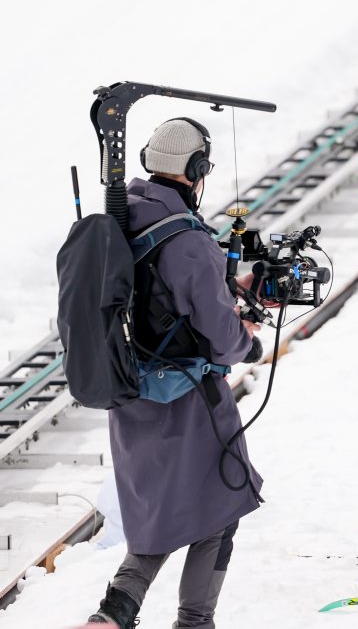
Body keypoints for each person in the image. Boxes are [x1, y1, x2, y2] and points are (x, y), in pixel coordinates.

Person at [86, 118, 265, 628]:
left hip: (130, 392)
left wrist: (227, 287)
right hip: (188, 401)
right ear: (197, 168)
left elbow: (159, 297)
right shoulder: (188, 240)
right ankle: (195, 622)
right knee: (220, 506)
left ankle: (113, 613)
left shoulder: (124, 219)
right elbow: (220, 337)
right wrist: (246, 338)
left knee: (160, 513)